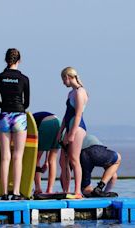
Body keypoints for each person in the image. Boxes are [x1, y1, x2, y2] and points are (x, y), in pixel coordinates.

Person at [0, 48, 30, 200]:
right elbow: (27, 102)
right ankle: (15, 192)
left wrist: (6, 106)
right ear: (19, 60)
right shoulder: (24, 78)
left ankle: (3, 193)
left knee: (5, 156)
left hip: (4, 116)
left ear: (5, 60)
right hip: (19, 116)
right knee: (18, 156)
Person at [57, 67, 88, 199]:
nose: (63, 82)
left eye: (63, 79)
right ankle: (66, 189)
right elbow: (66, 115)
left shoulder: (80, 92)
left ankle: (78, 192)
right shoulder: (71, 93)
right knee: (63, 161)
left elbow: (78, 114)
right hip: (69, 126)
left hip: (78, 128)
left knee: (74, 160)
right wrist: (61, 131)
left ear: (68, 77)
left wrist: (72, 133)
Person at [33, 112, 61, 194]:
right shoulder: (36, 116)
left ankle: (38, 188)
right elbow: (48, 144)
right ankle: (49, 190)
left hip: (46, 124)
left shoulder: (26, 121)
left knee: (36, 158)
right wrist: (46, 162)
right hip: (58, 122)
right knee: (52, 160)